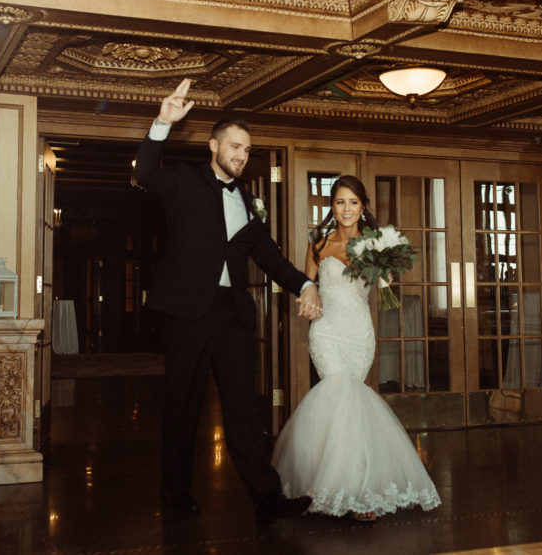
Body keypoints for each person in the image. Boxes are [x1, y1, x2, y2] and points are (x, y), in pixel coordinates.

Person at [133, 78, 322, 523]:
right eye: (234, 146)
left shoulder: (249, 202)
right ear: (213, 146)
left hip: (232, 316)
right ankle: (175, 493)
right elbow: (144, 173)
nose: (241, 155)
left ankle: (267, 497)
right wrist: (162, 122)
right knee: (182, 407)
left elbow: (271, 257)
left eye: (246, 150)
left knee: (243, 408)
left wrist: (307, 285)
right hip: (187, 313)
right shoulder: (182, 181)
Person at [272, 175, 441, 521]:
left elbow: (384, 285)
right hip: (327, 331)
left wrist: (385, 275)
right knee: (338, 392)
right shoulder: (319, 244)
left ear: (362, 207)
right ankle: (343, 489)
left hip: (359, 333)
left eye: (352, 202)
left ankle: (357, 488)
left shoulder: (376, 244)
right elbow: (308, 287)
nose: (346, 209)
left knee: (348, 403)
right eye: (339, 202)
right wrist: (309, 299)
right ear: (332, 207)